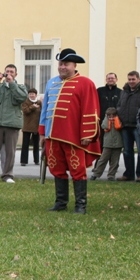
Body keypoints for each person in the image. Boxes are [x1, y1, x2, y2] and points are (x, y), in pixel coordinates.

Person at [40, 48, 101, 214]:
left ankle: (81, 205)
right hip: (52, 135)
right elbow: (45, 109)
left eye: (66, 64)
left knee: (77, 169)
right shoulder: (51, 83)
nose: (62, 67)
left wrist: (87, 134)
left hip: (73, 136)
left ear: (74, 65)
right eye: (60, 64)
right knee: (56, 168)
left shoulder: (86, 83)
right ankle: (61, 203)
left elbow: (91, 109)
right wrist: (42, 132)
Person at [0, 64, 28, 183]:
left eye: (12, 72)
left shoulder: (20, 87)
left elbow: (22, 97)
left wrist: (12, 83)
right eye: (7, 71)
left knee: (10, 152)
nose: (9, 73)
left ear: (16, 74)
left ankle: (7, 175)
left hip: (12, 123)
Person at [116, 71, 140, 181]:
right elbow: (119, 105)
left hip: (138, 126)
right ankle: (128, 174)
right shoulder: (124, 92)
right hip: (125, 125)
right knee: (127, 151)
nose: (131, 81)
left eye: (133, 79)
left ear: (139, 79)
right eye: (129, 79)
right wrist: (119, 115)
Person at [90, 107, 123, 181]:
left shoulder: (118, 121)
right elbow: (104, 126)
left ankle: (111, 175)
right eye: (109, 115)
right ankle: (96, 174)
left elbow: (120, 126)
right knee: (102, 160)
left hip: (117, 144)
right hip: (107, 144)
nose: (111, 117)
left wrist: (116, 119)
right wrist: (106, 118)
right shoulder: (106, 121)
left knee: (115, 161)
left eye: (113, 115)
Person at [20, 88, 42, 166]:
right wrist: (33, 107)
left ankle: (36, 160)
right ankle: (23, 161)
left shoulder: (39, 102)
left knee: (36, 145)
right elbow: (26, 111)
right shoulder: (25, 102)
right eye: (30, 94)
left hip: (36, 127)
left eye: (33, 94)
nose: (31, 95)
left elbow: (41, 113)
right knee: (25, 144)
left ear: (36, 95)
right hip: (27, 126)